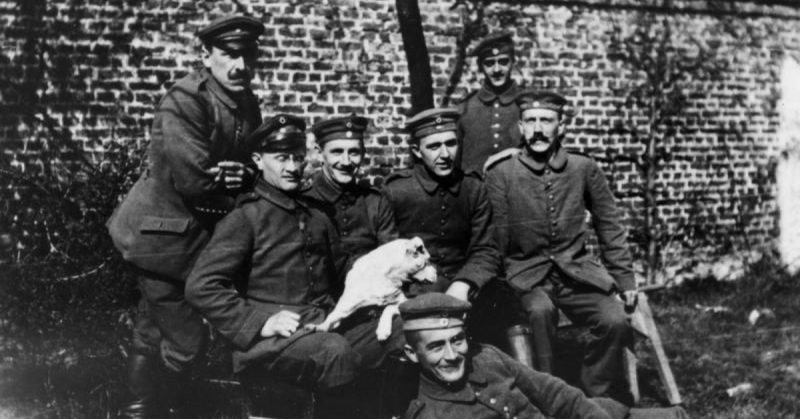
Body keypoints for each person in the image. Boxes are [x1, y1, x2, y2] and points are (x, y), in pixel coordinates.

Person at [184, 115, 404, 419]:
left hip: (323, 325)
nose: (292, 167)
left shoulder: (315, 216)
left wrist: (386, 290)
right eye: (282, 158)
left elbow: (345, 271)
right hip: (271, 341)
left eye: (298, 158)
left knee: (402, 329)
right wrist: (260, 322)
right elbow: (201, 285)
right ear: (259, 160)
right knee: (334, 352)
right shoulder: (245, 218)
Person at [106, 15, 264, 418]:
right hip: (161, 237)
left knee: (152, 331)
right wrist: (238, 180)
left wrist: (241, 173)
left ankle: (138, 411)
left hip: (194, 236)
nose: (240, 65)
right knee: (186, 342)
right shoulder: (185, 100)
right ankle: (166, 410)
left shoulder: (246, 103)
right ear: (205, 56)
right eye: (229, 55)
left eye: (248, 55)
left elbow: (251, 168)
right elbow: (196, 181)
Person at [485, 90, 638, 404]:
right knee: (539, 314)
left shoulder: (583, 168)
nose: (538, 129)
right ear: (521, 127)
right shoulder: (502, 174)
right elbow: (496, 237)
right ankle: (550, 397)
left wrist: (624, 279)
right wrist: (499, 286)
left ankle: (597, 395)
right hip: (527, 275)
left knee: (614, 320)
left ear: (561, 127)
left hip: (577, 273)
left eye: (547, 120)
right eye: (531, 121)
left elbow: (609, 222)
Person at [383, 108, 533, 364]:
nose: (445, 154)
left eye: (451, 143)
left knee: (507, 302)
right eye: (434, 146)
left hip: (466, 285)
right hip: (416, 288)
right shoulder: (397, 191)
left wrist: (464, 284)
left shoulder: (472, 188)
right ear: (417, 151)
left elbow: (486, 249)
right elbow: (387, 252)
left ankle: (529, 383)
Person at [399, 293, 625, 419]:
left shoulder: (486, 357)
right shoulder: (425, 412)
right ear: (413, 354)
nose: (452, 355)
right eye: (437, 347)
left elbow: (552, 392)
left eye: (457, 340)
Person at [305, 114, 398, 291]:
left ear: (363, 153)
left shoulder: (375, 203)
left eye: (354, 152)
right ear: (319, 152)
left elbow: (390, 261)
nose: (346, 162)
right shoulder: (305, 201)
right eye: (337, 151)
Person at [457, 32, 523, 174]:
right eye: (489, 63)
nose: (497, 69)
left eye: (503, 61)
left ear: (513, 62)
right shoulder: (465, 108)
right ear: (480, 67)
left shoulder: (526, 104)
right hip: (476, 192)